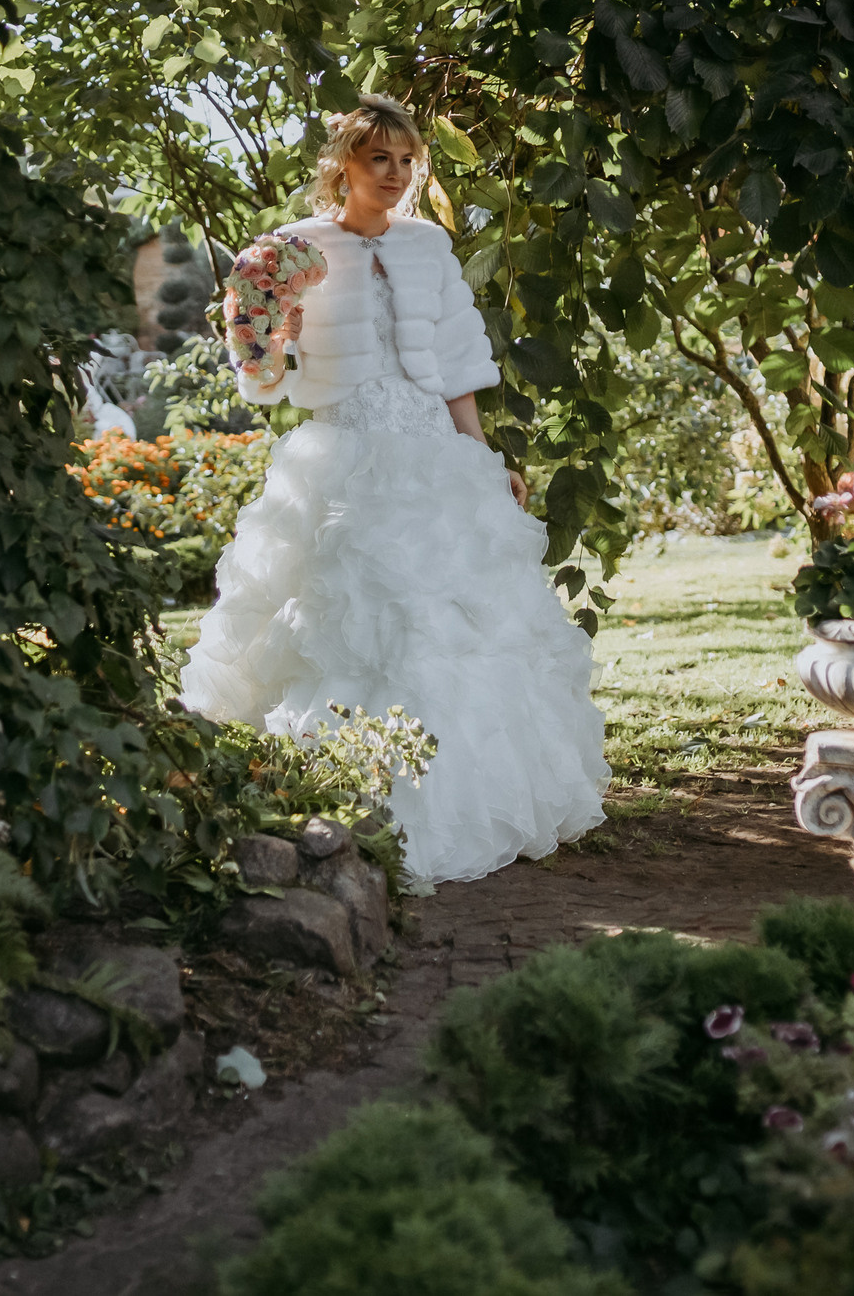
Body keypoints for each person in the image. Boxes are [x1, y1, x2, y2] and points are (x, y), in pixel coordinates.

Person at [177, 95, 609, 884]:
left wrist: (482, 456)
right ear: (343, 162)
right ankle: (347, 786)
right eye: (381, 159)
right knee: (352, 616)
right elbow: (265, 378)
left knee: (453, 625)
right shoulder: (291, 250)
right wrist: (281, 345)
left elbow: (457, 360)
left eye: (408, 160)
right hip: (343, 450)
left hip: (431, 451)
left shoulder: (427, 246)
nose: (397, 174)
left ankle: (468, 795)